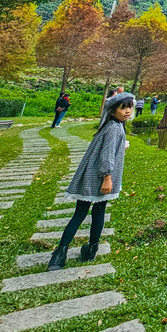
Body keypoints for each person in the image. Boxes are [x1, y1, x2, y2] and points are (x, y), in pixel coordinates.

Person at [48, 93, 134, 271]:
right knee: (90, 213)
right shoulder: (114, 128)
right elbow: (107, 155)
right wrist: (107, 178)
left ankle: (62, 254)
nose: (128, 111)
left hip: (92, 175)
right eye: (123, 107)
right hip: (100, 178)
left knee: (85, 213)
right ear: (112, 111)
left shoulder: (112, 126)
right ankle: (81, 250)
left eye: (130, 107)